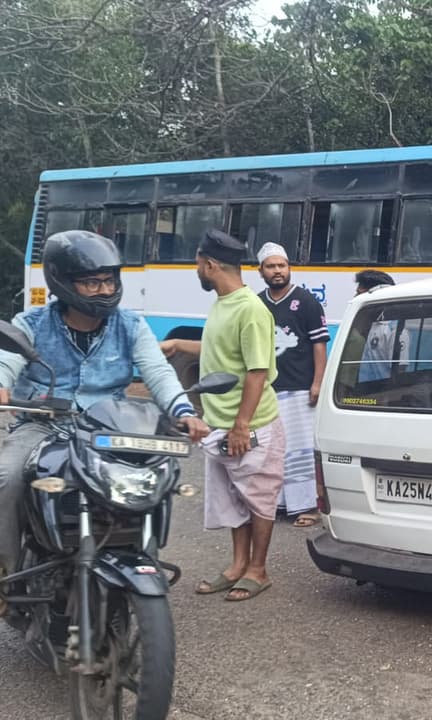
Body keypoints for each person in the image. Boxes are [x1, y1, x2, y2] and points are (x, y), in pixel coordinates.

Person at [0, 231, 209, 592]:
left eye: (108, 280)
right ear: (62, 283)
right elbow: (7, 361)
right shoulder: (31, 325)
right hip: (43, 426)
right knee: (7, 476)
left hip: (106, 429)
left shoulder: (129, 325)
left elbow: (157, 372)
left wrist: (184, 411)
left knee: (155, 475)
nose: (103, 289)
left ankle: (139, 553)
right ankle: (7, 572)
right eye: (91, 282)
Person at [161, 230, 283, 602]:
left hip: (252, 425)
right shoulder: (223, 303)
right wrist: (180, 344)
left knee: (258, 499)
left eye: (198, 264)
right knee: (233, 497)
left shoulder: (250, 309)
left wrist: (242, 425)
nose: (197, 271)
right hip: (221, 424)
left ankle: (257, 570)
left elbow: (257, 371)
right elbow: (219, 350)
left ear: (211, 265)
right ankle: (236, 566)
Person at [257, 243, 329, 527]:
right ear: (261, 270)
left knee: (301, 451)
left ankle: (307, 506)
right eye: (271, 266)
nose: (277, 271)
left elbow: (319, 345)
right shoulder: (256, 303)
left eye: (282, 266)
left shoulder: (307, 301)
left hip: (301, 389)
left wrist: (317, 383)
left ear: (289, 268)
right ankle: (276, 504)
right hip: (267, 390)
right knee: (271, 450)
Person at [353, 270, 397, 382]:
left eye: (359, 294)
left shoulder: (393, 330)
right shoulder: (362, 326)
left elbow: (399, 370)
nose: (355, 298)